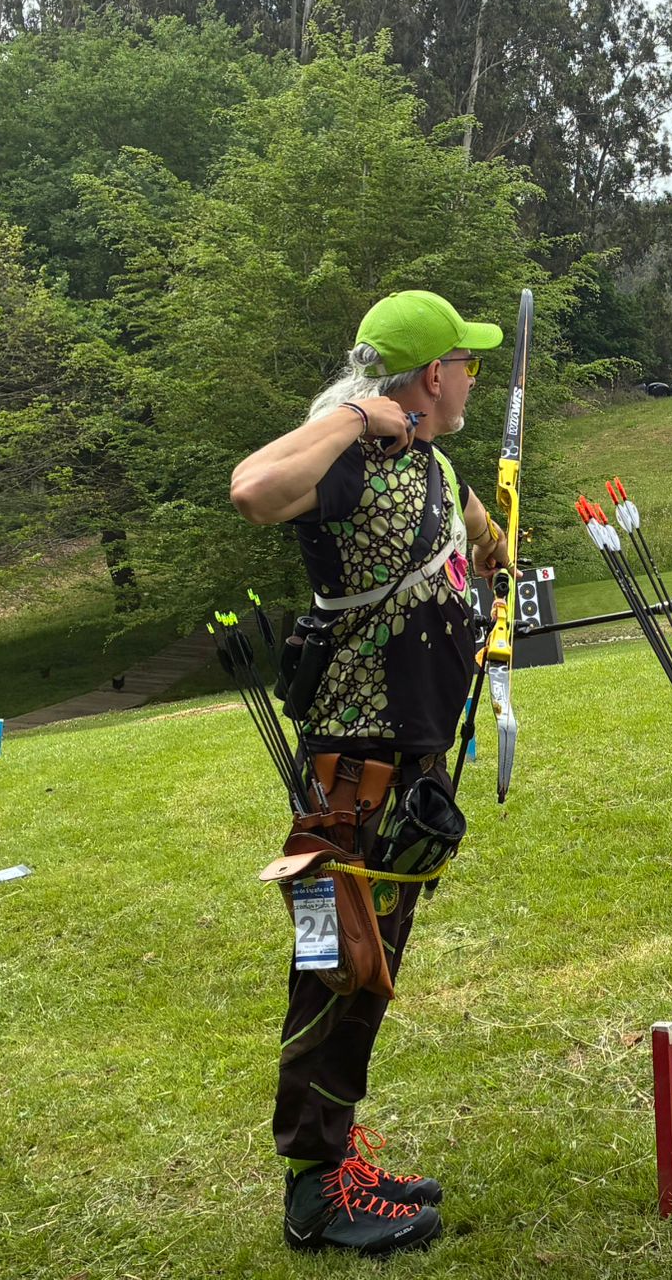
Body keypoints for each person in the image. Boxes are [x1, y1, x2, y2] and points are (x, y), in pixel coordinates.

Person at [229, 289, 513, 1258]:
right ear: (432, 374)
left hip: (408, 764)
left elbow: (468, 530)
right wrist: (356, 414)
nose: (472, 376)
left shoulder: (431, 460)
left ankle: (336, 1155)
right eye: (465, 362)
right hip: (353, 776)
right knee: (337, 967)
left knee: (369, 969)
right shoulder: (346, 455)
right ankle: (313, 1190)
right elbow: (250, 490)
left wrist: (491, 542)